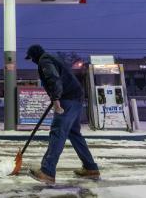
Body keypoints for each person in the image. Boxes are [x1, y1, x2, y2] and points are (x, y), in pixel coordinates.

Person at [25, 44, 100, 184]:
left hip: (67, 99)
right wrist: (56, 96)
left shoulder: (44, 61)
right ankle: (91, 168)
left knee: (58, 132)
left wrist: (56, 99)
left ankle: (47, 171)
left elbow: (54, 78)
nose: (33, 61)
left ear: (35, 55)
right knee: (74, 133)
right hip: (76, 97)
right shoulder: (53, 58)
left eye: (31, 58)